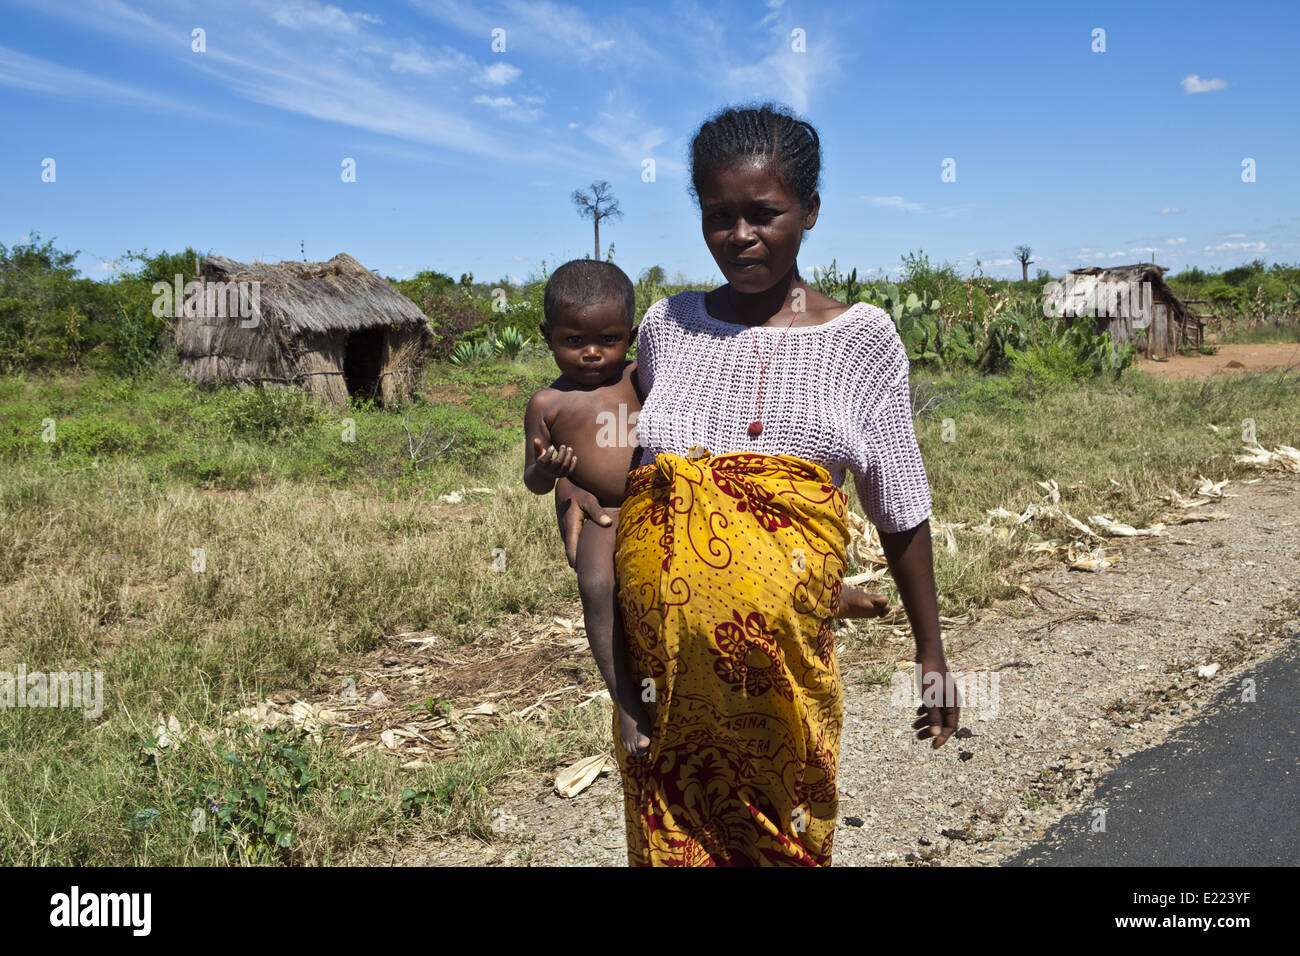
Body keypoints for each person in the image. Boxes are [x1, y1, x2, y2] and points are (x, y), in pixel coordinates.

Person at [553, 103, 959, 867]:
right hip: (662, 688)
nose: (740, 236)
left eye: (764, 213)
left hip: (780, 686)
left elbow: (900, 504)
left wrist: (930, 649)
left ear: (808, 210)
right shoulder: (667, 327)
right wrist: (571, 483)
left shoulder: (861, 339)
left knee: (783, 846)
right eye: (718, 216)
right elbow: (607, 426)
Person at [526, 259, 892, 759]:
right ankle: (627, 700)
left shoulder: (640, 375)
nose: (592, 353)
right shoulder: (547, 403)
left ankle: (820, 591)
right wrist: (559, 477)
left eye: (608, 339)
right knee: (596, 585)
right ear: (546, 335)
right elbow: (533, 476)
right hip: (607, 513)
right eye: (574, 341)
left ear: (631, 336)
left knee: (734, 550)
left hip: (663, 495)